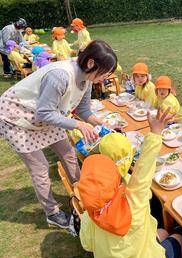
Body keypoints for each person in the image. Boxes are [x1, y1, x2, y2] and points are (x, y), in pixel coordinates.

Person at [0, 40, 118, 228]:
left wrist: (103, 124)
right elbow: (43, 113)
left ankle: (83, 193)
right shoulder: (60, 76)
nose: (104, 78)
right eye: (104, 72)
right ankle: (52, 213)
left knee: (69, 155)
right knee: (40, 168)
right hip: (17, 118)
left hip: (46, 116)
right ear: (90, 63)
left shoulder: (87, 79)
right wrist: (78, 125)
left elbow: (84, 110)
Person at [78, 108, 182, 258]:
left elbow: (87, 245)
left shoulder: (90, 213)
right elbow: (143, 171)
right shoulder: (133, 200)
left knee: (161, 232)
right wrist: (155, 133)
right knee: (178, 237)